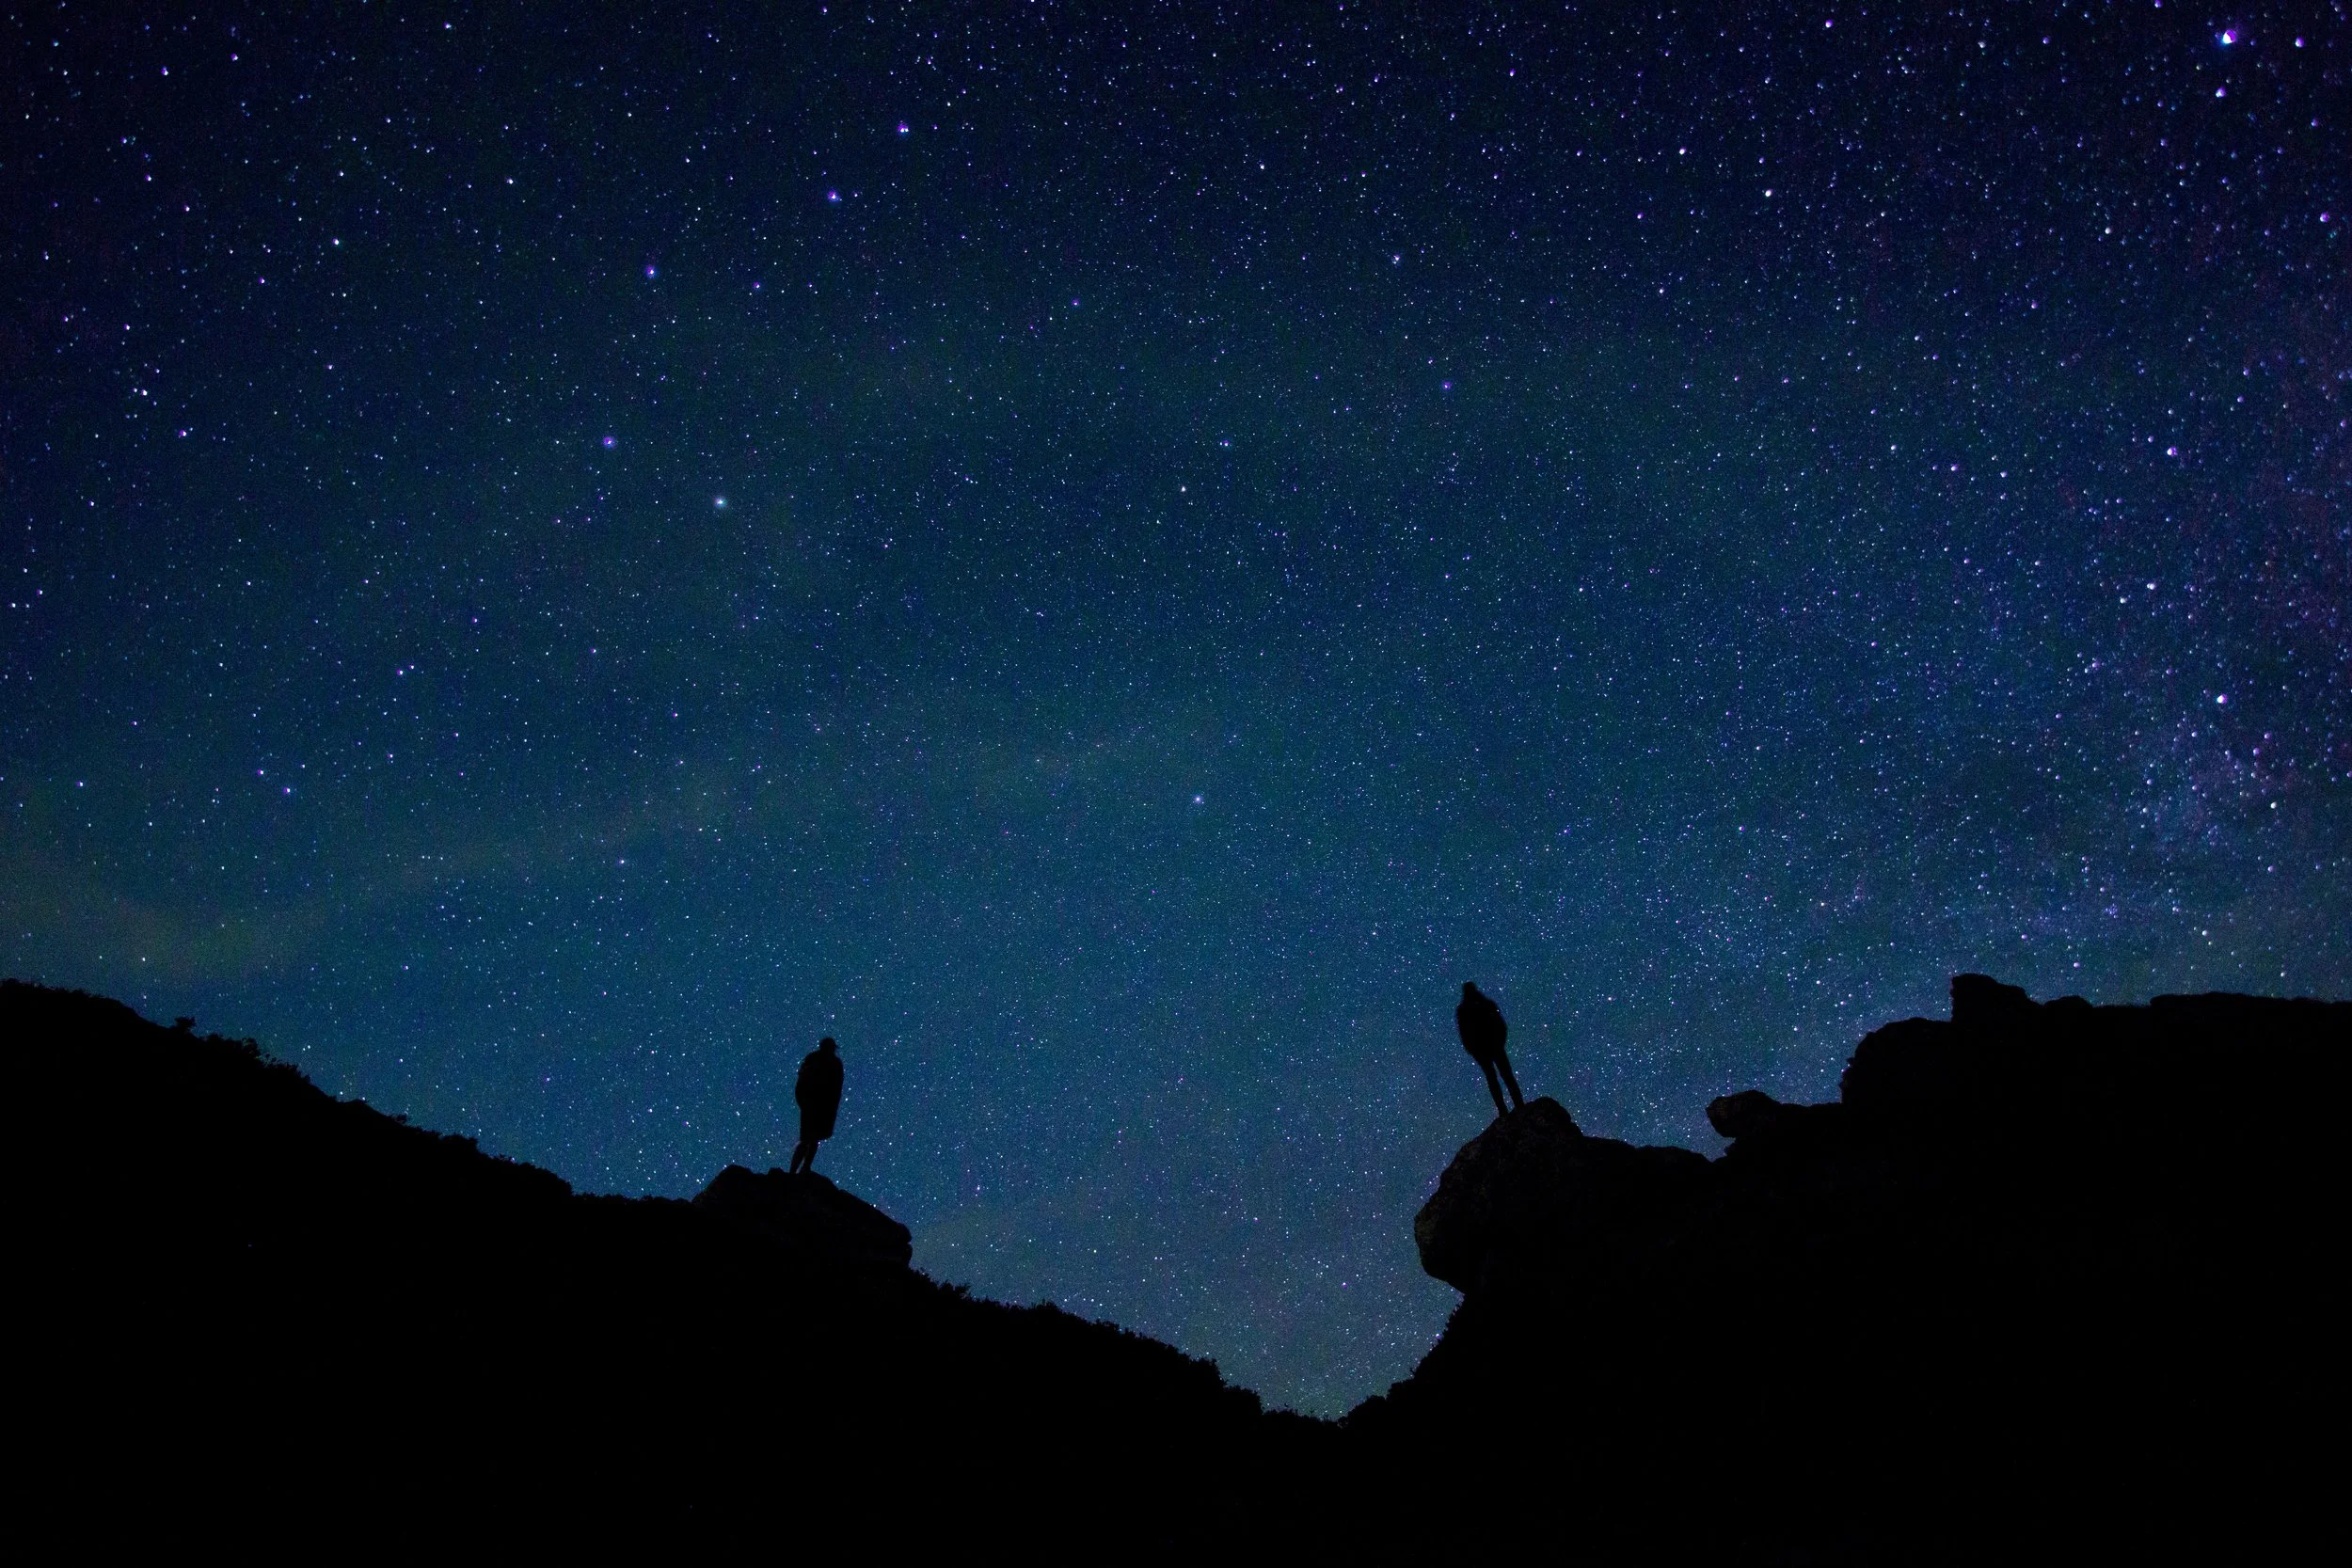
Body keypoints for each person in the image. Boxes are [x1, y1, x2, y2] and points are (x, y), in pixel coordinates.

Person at [1456, 982, 1524, 1118]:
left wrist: (1473, 1050)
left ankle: (1505, 1109)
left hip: (1486, 1048)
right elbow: (1500, 1024)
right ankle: (1517, 1105)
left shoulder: (1464, 1010)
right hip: (1490, 1047)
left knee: (1495, 1077)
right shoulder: (1485, 1004)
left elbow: (1465, 1034)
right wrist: (1499, 1041)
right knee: (1505, 1075)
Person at [788, 1037, 845, 1176]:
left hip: (814, 1106)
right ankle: (799, 1170)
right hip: (817, 1106)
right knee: (810, 1139)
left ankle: (797, 1171)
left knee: (809, 1139)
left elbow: (802, 1081)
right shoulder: (833, 1063)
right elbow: (836, 1088)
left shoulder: (813, 1059)